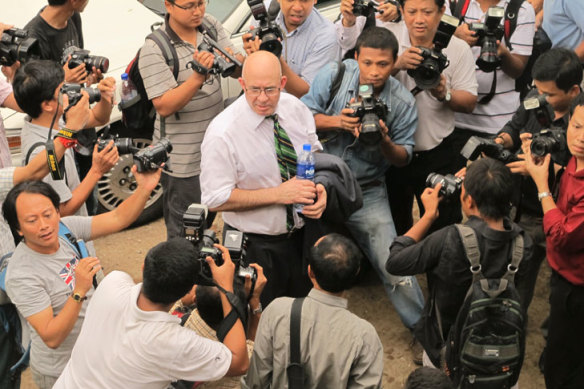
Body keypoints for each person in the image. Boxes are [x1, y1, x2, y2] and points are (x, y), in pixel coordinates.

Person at [301, 27, 424, 341]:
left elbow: (404, 157)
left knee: (393, 265)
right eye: (367, 62)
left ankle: (425, 334)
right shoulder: (335, 74)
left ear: (394, 62)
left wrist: (382, 140)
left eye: (383, 64)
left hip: (367, 188)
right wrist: (338, 121)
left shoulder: (403, 101)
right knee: (305, 257)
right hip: (320, 182)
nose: (373, 71)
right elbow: (302, 117)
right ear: (356, 57)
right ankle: (301, 330)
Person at [1, 167, 161, 388]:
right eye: (31, 220)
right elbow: (52, 337)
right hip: (62, 369)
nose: (44, 225)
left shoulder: (66, 229)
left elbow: (117, 217)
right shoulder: (21, 274)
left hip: (97, 354)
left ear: (58, 212)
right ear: (18, 229)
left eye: (48, 214)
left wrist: (145, 189)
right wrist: (78, 291)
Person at [200, 51, 327, 306]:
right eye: (254, 90)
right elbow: (214, 199)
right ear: (242, 85)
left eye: (269, 89)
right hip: (256, 246)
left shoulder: (295, 109)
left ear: (281, 83)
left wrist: (320, 188)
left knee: (304, 312)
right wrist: (278, 194)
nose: (262, 98)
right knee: (262, 320)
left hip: (303, 238)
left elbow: (314, 155)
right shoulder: (222, 133)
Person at [386, 158, 531, 371]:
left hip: (445, 354)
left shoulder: (448, 239)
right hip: (500, 357)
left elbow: (395, 262)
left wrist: (428, 216)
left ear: (468, 201)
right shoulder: (523, 244)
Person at [53, 238, 250, 388]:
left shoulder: (112, 283)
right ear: (190, 289)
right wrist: (225, 289)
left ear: (144, 267)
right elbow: (239, 363)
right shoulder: (173, 342)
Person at [139, 0, 244, 239]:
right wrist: (198, 77)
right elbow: (163, 105)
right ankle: (184, 274)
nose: (197, 11)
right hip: (183, 160)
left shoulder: (210, 27)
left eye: (201, 3)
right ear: (169, 5)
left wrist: (239, 60)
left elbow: (237, 68)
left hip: (216, 148)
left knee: (210, 216)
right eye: (189, 6)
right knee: (186, 229)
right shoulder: (155, 47)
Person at [495, 47, 582, 309]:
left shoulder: (579, 124)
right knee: (509, 271)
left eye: (549, 94)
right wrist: (501, 141)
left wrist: (542, 171)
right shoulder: (534, 95)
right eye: (538, 90)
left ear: (574, 91)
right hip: (516, 203)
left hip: (553, 213)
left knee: (542, 281)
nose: (540, 98)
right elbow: (514, 125)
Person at [384, 0, 478, 235]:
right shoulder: (388, 40)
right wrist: (396, 64)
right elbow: (362, 82)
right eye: (412, 12)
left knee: (443, 228)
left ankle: (441, 271)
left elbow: (469, 102)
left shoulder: (457, 48)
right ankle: (404, 270)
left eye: (427, 12)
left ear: (441, 12)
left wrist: (443, 93)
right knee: (395, 226)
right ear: (401, 11)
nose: (419, 19)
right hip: (391, 153)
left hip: (438, 153)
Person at [241, 233, 383, 388]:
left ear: (310, 272)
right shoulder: (365, 336)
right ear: (355, 274)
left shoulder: (278, 311)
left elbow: (255, 382)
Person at [524, 95, 584, 389]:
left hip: (576, 287)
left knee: (563, 371)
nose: (581, 138)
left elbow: (562, 237)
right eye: (577, 126)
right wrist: (548, 168)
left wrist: (541, 186)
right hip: (564, 277)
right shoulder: (576, 158)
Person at [13, 60, 116, 221]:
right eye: (63, 89)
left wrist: (105, 98)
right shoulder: (42, 151)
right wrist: (96, 171)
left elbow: (97, 117)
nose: (70, 92)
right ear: (47, 105)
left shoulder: (53, 120)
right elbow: (62, 208)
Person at [452, 0, 535, 138]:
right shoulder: (454, 4)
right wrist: (455, 36)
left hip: (498, 125)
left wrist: (502, 52)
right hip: (455, 119)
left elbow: (517, 70)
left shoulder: (521, 10)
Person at [176, 262, 266, 389]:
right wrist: (254, 301)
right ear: (239, 309)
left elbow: (176, 301)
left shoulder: (174, 321)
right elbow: (252, 345)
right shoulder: (241, 363)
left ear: (195, 300)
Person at [242, 0, 341, 98]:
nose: (297, 7)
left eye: (305, 0)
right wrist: (252, 54)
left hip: (298, 108)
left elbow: (308, 94)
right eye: (290, 0)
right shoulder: (263, 12)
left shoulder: (326, 35)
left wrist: (275, 59)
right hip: (261, 99)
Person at [24, 0, 100, 84]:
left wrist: (88, 76)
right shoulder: (32, 37)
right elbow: (33, 91)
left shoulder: (73, 16)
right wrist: (63, 80)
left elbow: (79, 60)